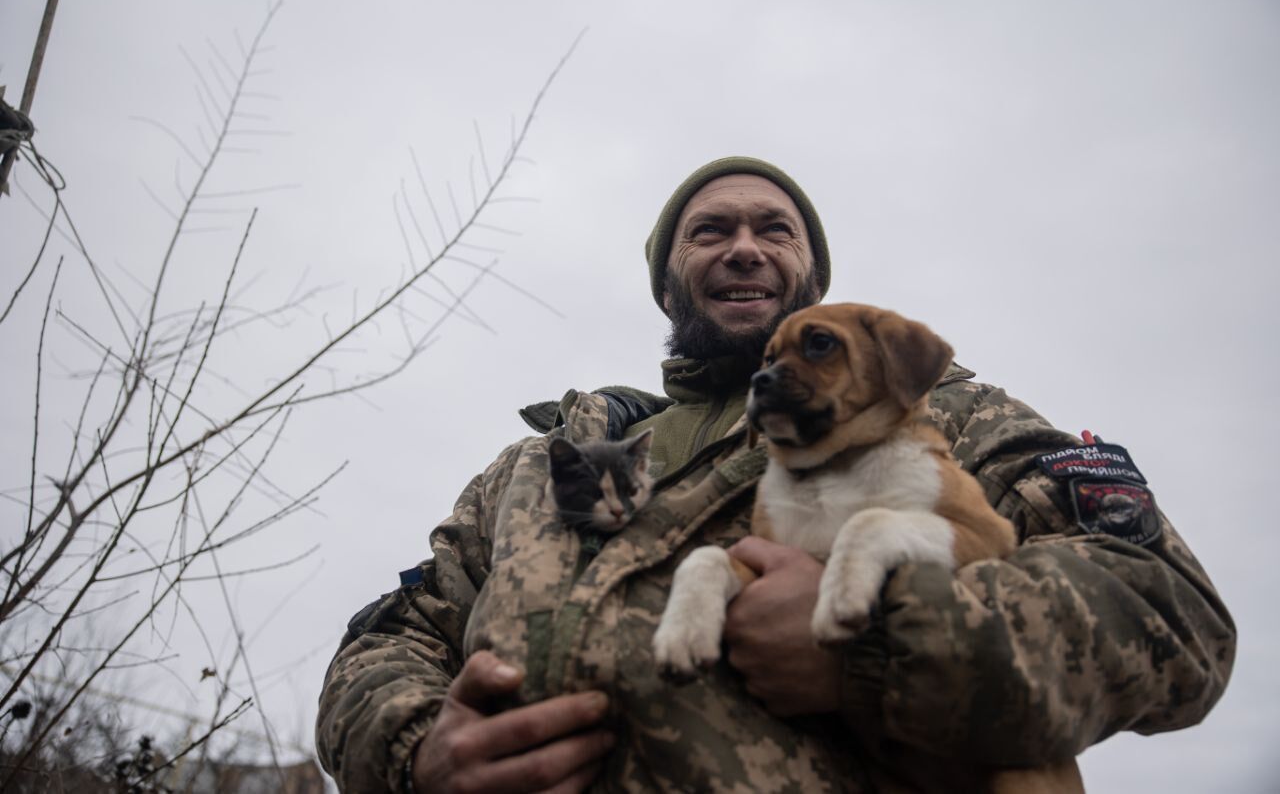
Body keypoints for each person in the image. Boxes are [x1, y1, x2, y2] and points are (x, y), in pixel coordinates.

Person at [316, 157, 1235, 793]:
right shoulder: (541, 463)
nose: (744, 246)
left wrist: (880, 649)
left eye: (775, 229)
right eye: (709, 230)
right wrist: (414, 752)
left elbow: (1169, 615)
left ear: (812, 272)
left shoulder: (939, 414)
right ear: (669, 279)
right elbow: (388, 641)